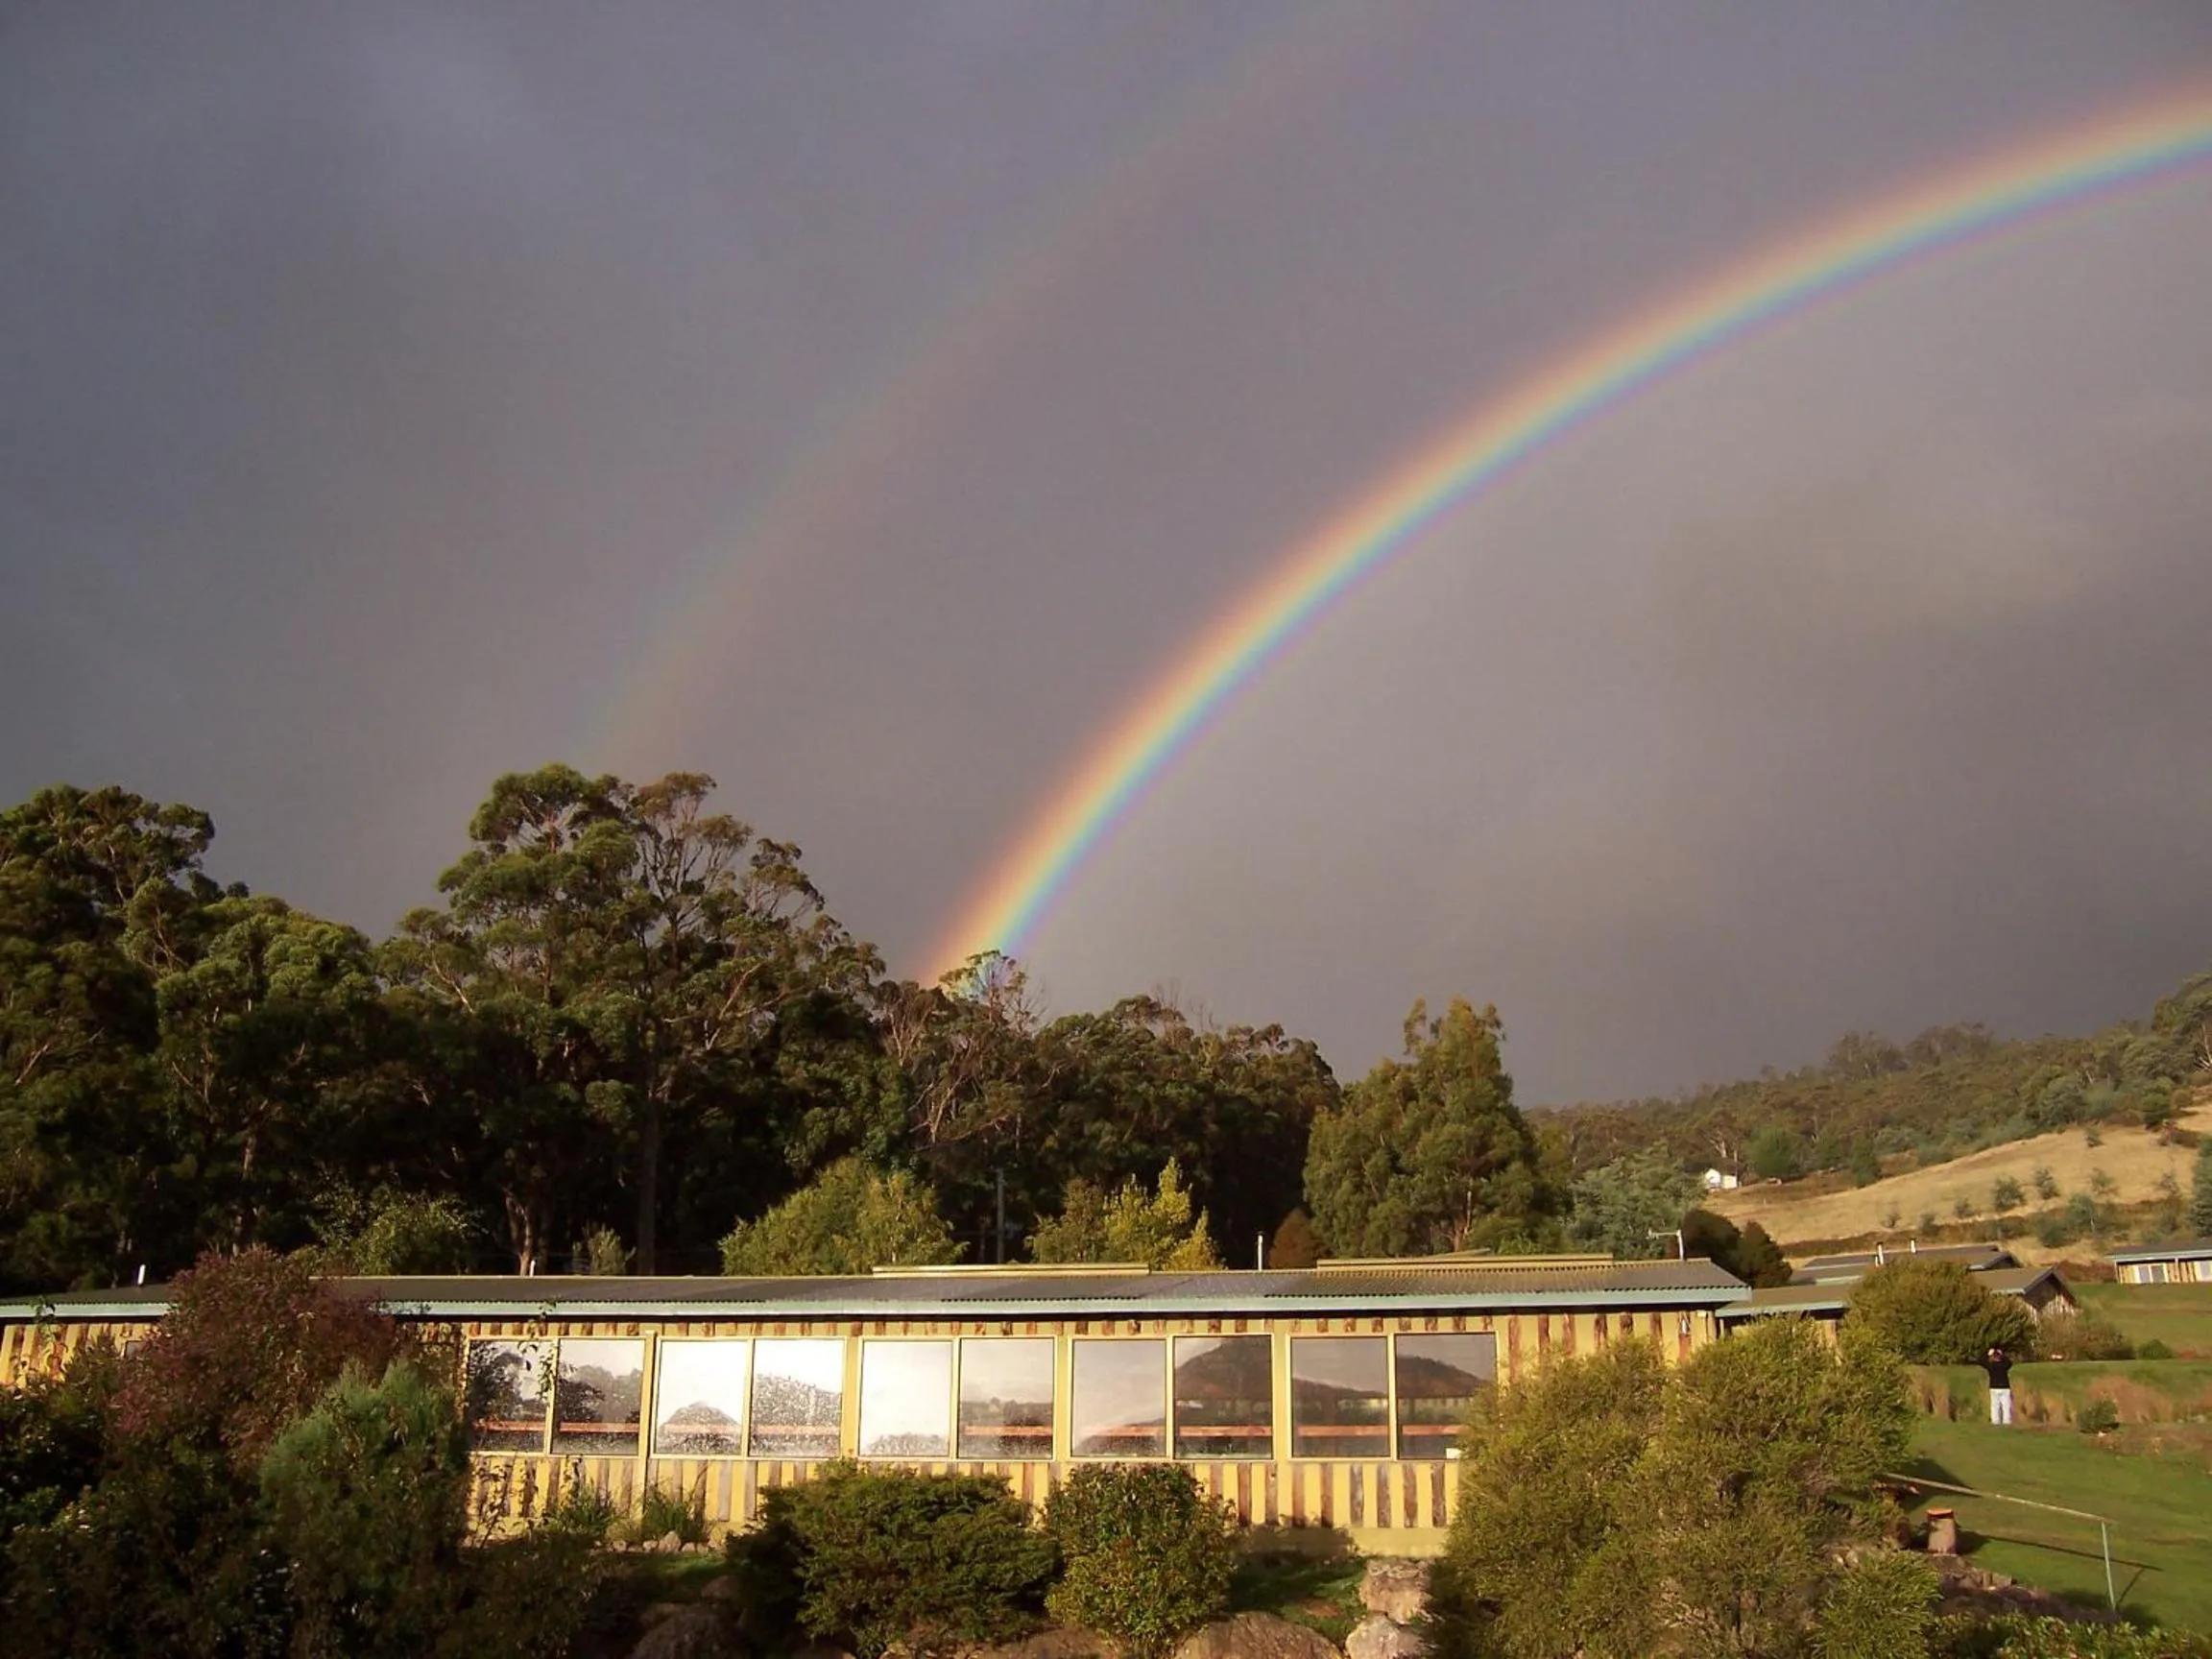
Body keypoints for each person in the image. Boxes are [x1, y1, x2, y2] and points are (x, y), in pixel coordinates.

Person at [1983, 1345, 2013, 1425]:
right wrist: (2003, 1355)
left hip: (1994, 1387)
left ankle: (1995, 1421)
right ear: (2000, 1357)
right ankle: (2007, 1421)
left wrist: (1988, 1354)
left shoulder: (1991, 1365)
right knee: (2006, 1406)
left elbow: (1982, 1361)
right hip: (2005, 1387)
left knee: (1994, 1406)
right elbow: (2010, 1363)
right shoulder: (2004, 1365)